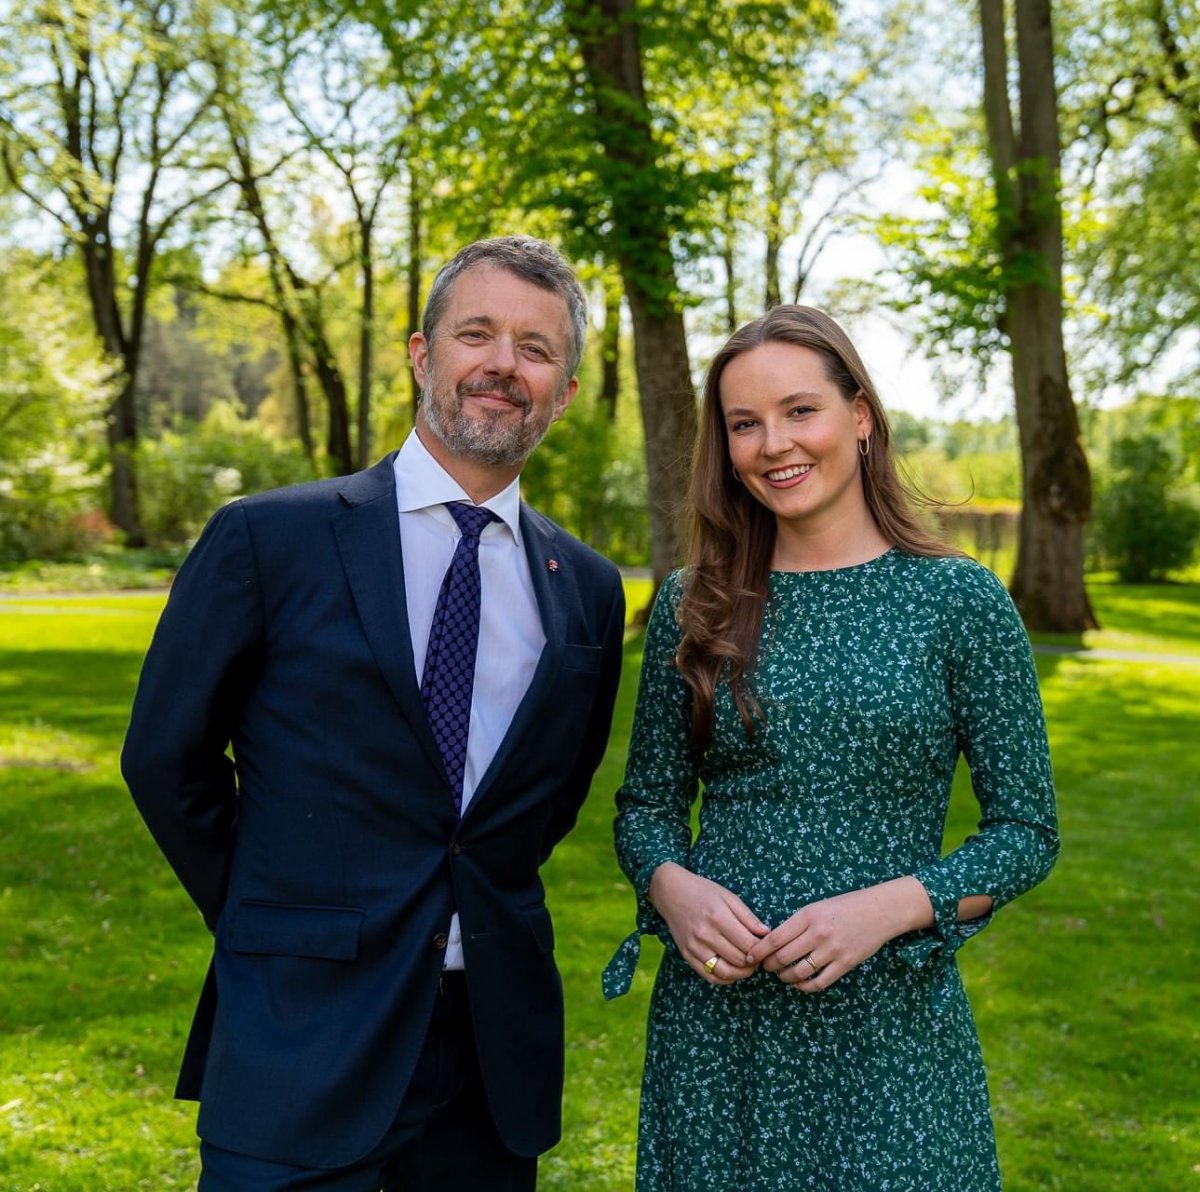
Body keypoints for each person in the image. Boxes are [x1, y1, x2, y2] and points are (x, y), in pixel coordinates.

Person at [122, 235, 626, 1191]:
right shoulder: (269, 539)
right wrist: (273, 913)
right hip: (297, 1030)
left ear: (563, 391)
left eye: (535, 348)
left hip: (489, 1057)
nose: (501, 365)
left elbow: (548, 799)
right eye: (475, 333)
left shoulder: (588, 589)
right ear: (419, 354)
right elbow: (165, 758)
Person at [602, 305, 1059, 1190]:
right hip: (719, 1031)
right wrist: (673, 887)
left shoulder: (956, 601)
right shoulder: (694, 602)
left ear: (859, 415)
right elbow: (646, 808)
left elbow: (1026, 831)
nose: (774, 443)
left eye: (799, 410)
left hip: (889, 1027)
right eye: (745, 423)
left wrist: (893, 906)